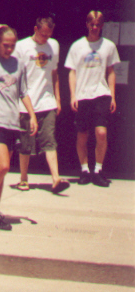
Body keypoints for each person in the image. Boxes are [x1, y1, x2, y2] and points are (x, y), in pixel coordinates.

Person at [0, 24, 37, 231]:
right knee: (3, 165)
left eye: (12, 46)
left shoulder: (19, 64)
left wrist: (32, 115)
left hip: (12, 122)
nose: (9, 49)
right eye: (5, 45)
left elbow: (23, 92)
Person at [13, 16, 70, 194]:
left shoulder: (54, 45)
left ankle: (55, 179)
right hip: (26, 102)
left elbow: (54, 73)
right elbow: (15, 77)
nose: (45, 38)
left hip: (47, 101)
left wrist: (58, 99)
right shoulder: (21, 46)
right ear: (35, 28)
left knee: (49, 139)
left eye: (48, 35)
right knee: (26, 143)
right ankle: (23, 179)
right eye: (43, 34)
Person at [64, 10, 120, 187]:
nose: (95, 27)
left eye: (98, 24)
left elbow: (111, 71)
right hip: (82, 95)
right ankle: (84, 171)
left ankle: (98, 170)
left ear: (102, 26)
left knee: (101, 133)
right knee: (82, 135)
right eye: (92, 24)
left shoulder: (108, 46)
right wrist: (73, 95)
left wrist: (112, 95)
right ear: (87, 25)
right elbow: (71, 72)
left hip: (101, 94)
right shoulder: (77, 46)